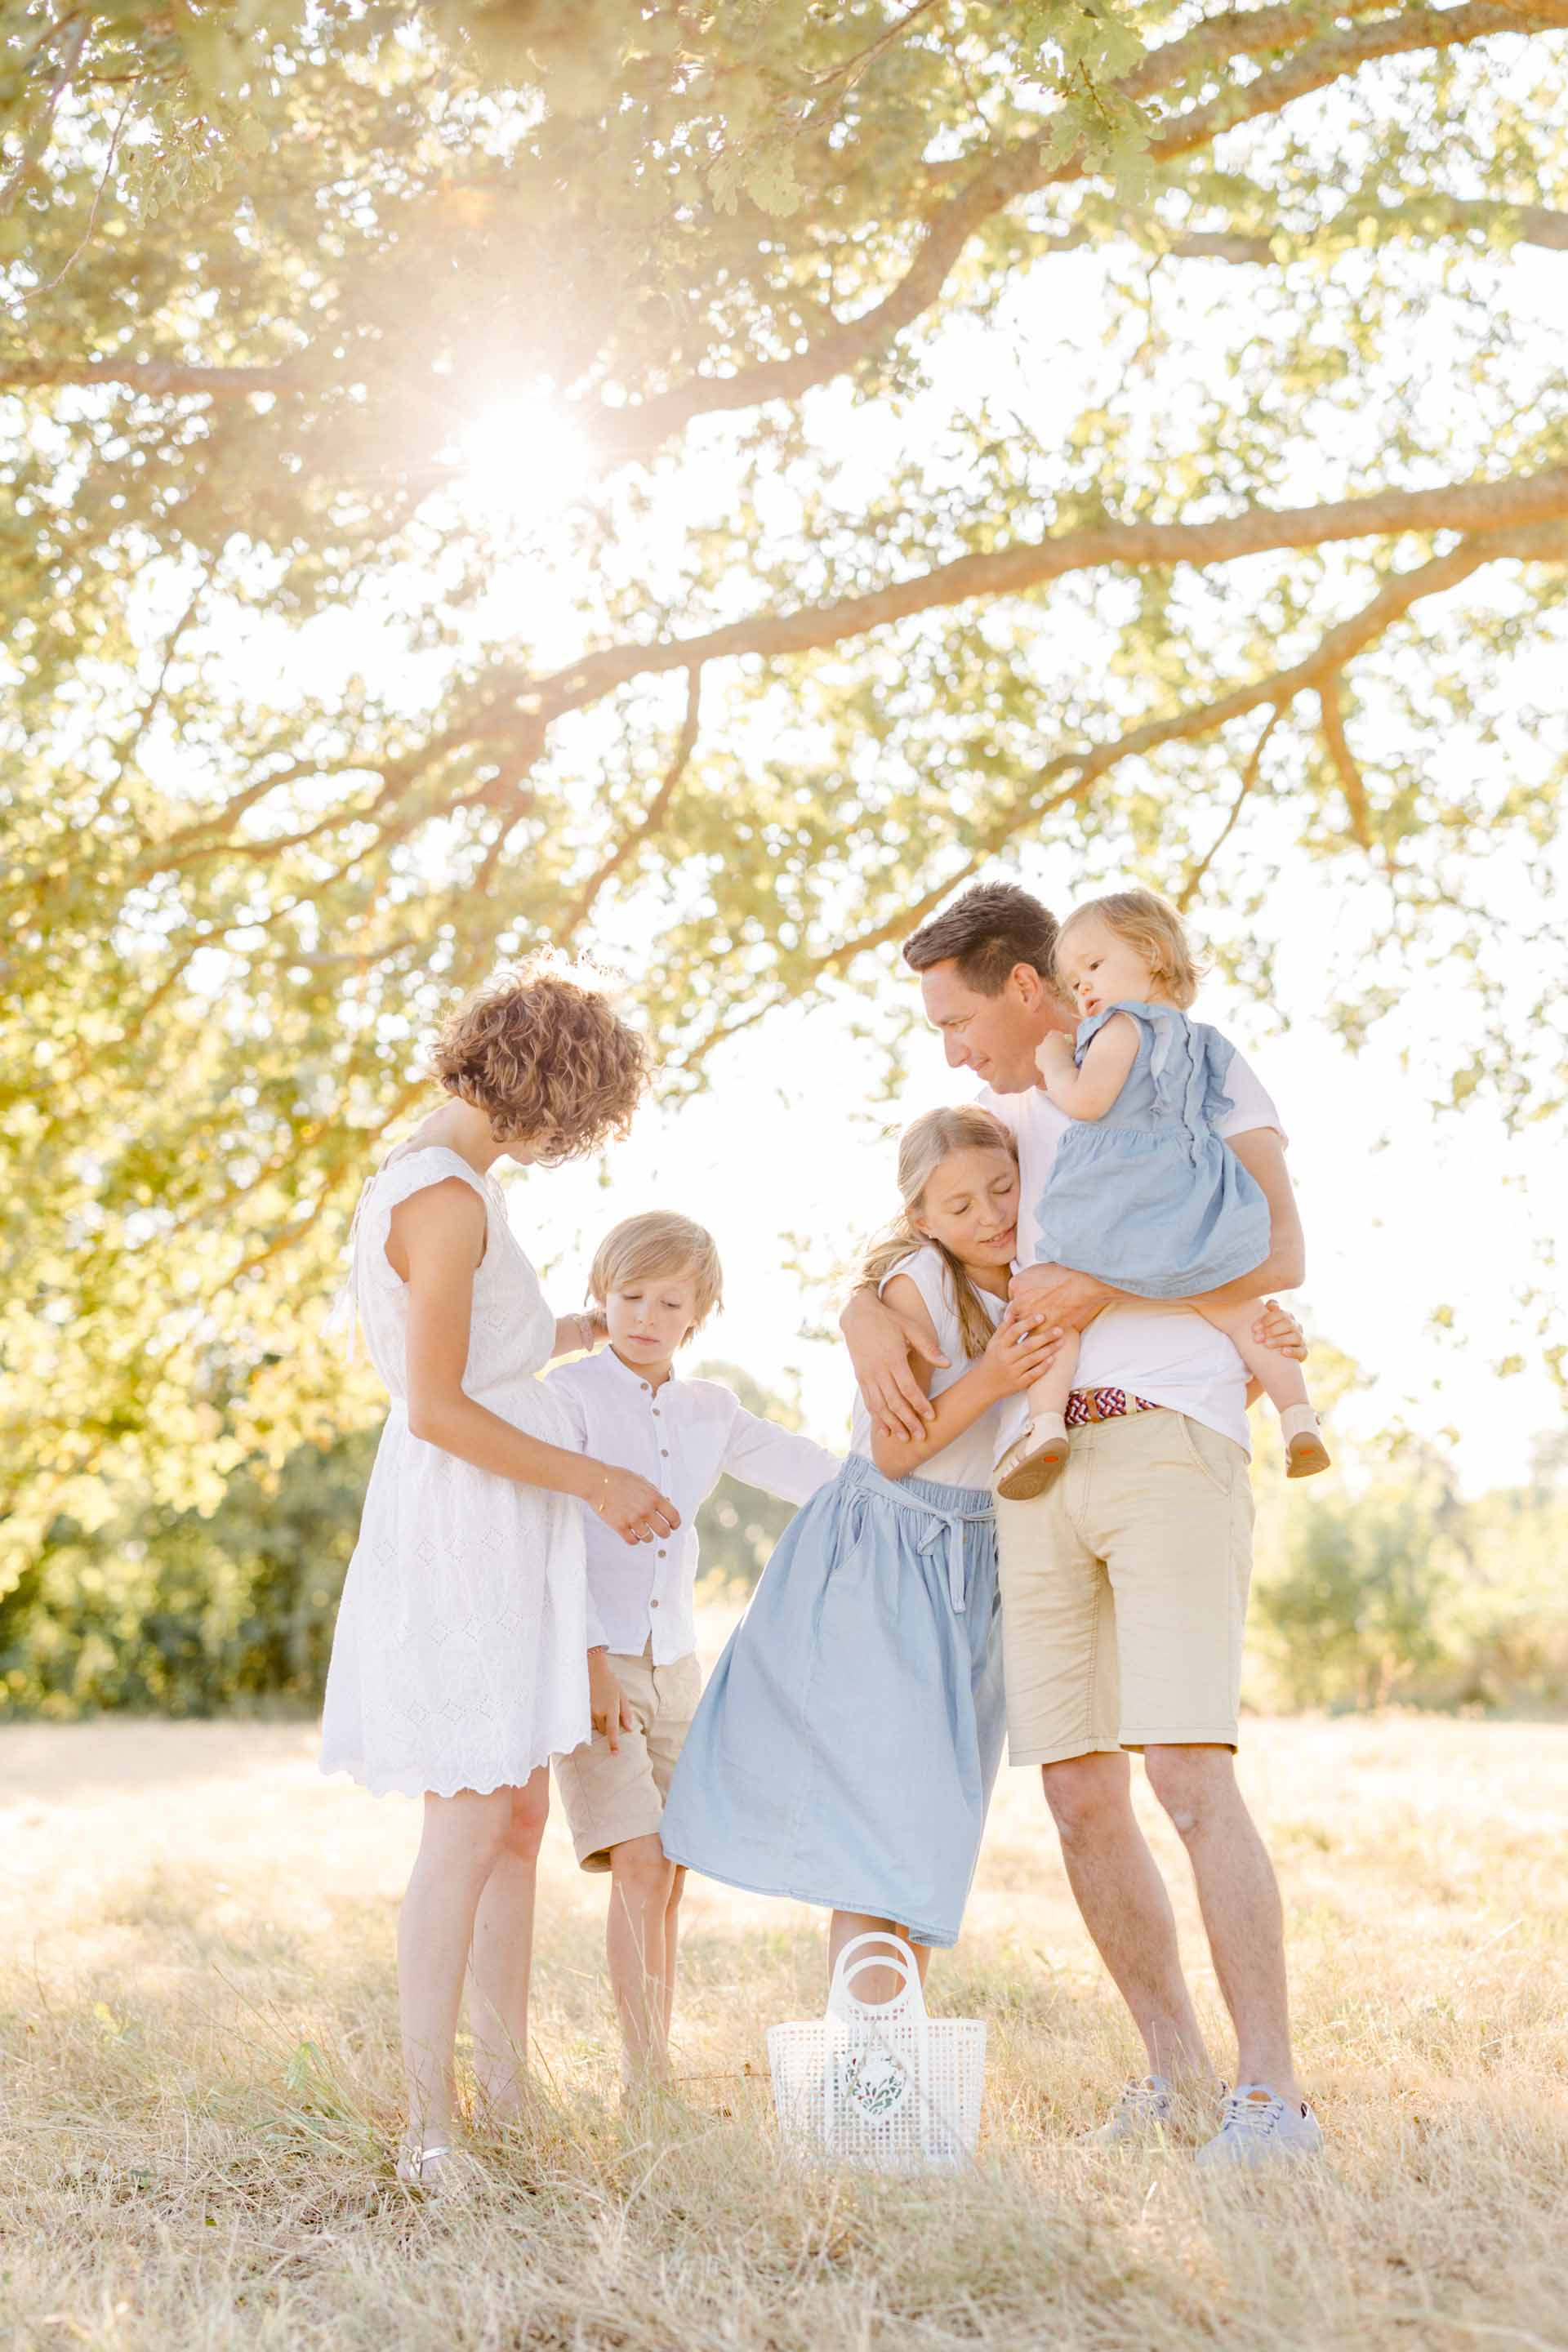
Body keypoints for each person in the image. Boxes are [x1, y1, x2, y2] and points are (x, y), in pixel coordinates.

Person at [843, 884, 1324, 2167]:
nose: (949, 1048)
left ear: (1024, 987)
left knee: (1186, 1774)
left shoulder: (1189, 1067)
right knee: (1077, 1796)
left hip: (1169, 1434)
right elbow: (907, 1241)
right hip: (1034, 1468)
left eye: (954, 1019)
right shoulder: (1000, 1130)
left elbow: (1278, 1248)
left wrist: (1098, 1281)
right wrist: (862, 1311)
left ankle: (1272, 2096)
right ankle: (1175, 2076)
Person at [319, 964, 680, 2193]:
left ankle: (507, 2089)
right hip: (466, 1517)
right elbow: (434, 1408)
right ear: (548, 1093)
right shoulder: (444, 1197)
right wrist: (595, 1484)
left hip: (504, 1519)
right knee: (468, 1822)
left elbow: (487, 1350)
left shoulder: (455, 1180)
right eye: (572, 1121)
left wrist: (592, 1333)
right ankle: (432, 2125)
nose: (561, 1145)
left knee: (519, 1818)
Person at [661, 1108, 1065, 1989]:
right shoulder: (920, 1286)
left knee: (923, 1827)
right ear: (921, 1219)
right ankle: (863, 2068)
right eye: (958, 1206)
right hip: (889, 1547)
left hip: (975, 1554)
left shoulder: (1037, 1271)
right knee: (875, 1824)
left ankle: (890, 2062)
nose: (991, 1214)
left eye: (1003, 1188)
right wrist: (993, 1375)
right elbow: (894, 1448)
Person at [546, 1211, 840, 2087]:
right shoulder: (568, 1398)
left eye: (668, 1301)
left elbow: (813, 1474)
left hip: (678, 1662)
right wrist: (591, 1658)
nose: (644, 1315)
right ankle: (642, 2082)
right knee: (636, 1860)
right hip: (592, 1658)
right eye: (629, 1295)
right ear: (602, 1295)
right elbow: (553, 1534)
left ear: (697, 1314)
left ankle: (654, 2068)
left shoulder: (712, 1409)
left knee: (668, 1869)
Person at [996, 888, 1329, 1499]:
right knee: (1238, 1312)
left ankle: (1045, 1425)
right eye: (1074, 981)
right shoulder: (1206, 1044)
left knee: (1057, 1318)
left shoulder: (1121, 1028)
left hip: (1122, 1200)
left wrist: (1055, 1062)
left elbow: (1088, 1103)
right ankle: (1298, 1415)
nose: (1084, 989)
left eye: (1093, 966)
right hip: (1186, 1200)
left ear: (1150, 952)